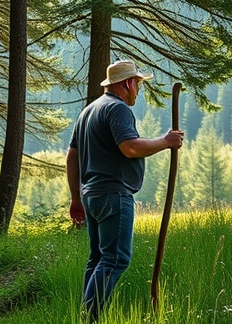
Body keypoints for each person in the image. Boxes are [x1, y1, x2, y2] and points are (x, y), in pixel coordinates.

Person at [65, 60, 184, 321]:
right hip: (113, 195)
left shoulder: (88, 111)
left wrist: (76, 197)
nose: (138, 90)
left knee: (98, 259)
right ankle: (90, 320)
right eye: (138, 84)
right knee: (114, 260)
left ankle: (86, 317)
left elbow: (71, 157)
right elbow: (129, 147)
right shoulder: (117, 109)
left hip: (91, 196)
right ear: (127, 83)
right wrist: (166, 141)